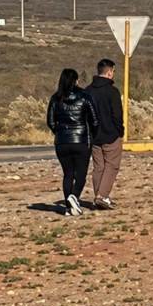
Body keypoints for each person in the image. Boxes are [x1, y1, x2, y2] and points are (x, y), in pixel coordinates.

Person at [46, 68, 98, 216]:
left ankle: (69, 207)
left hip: (62, 142)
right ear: (76, 80)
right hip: (81, 140)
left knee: (67, 174)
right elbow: (94, 120)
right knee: (81, 174)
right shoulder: (85, 96)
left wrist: (60, 132)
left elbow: (50, 121)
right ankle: (73, 197)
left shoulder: (56, 98)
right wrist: (92, 134)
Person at [85, 59, 124, 210]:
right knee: (112, 165)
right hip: (110, 134)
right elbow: (117, 115)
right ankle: (102, 196)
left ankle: (100, 197)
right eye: (113, 71)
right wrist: (120, 131)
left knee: (99, 166)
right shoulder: (112, 92)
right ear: (109, 72)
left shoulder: (88, 91)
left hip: (94, 135)